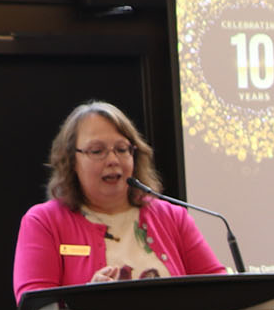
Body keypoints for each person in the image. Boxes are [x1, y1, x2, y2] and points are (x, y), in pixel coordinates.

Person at [13, 101, 226, 299]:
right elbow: (35, 306)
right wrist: (85, 300)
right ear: (71, 161)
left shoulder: (172, 217)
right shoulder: (44, 222)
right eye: (97, 151)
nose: (113, 160)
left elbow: (220, 291)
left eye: (122, 149)